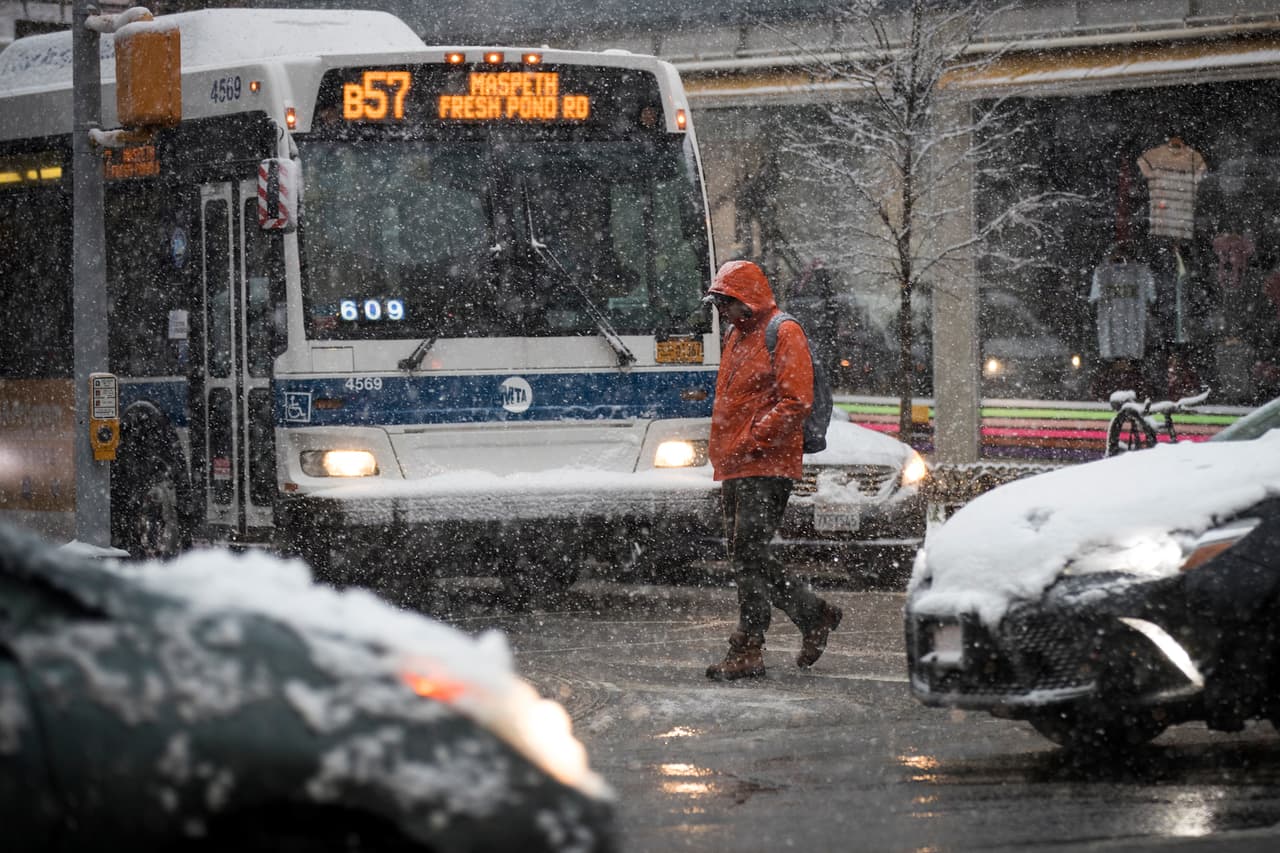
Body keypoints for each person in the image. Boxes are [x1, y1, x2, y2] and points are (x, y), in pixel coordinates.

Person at [702, 259, 843, 681]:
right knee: (746, 556)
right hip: (737, 462)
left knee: (748, 554)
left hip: (765, 463)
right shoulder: (736, 336)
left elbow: (795, 400)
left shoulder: (782, 331)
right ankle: (812, 614)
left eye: (726, 303)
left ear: (746, 299)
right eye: (719, 305)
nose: (722, 312)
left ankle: (750, 645)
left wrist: (752, 439)